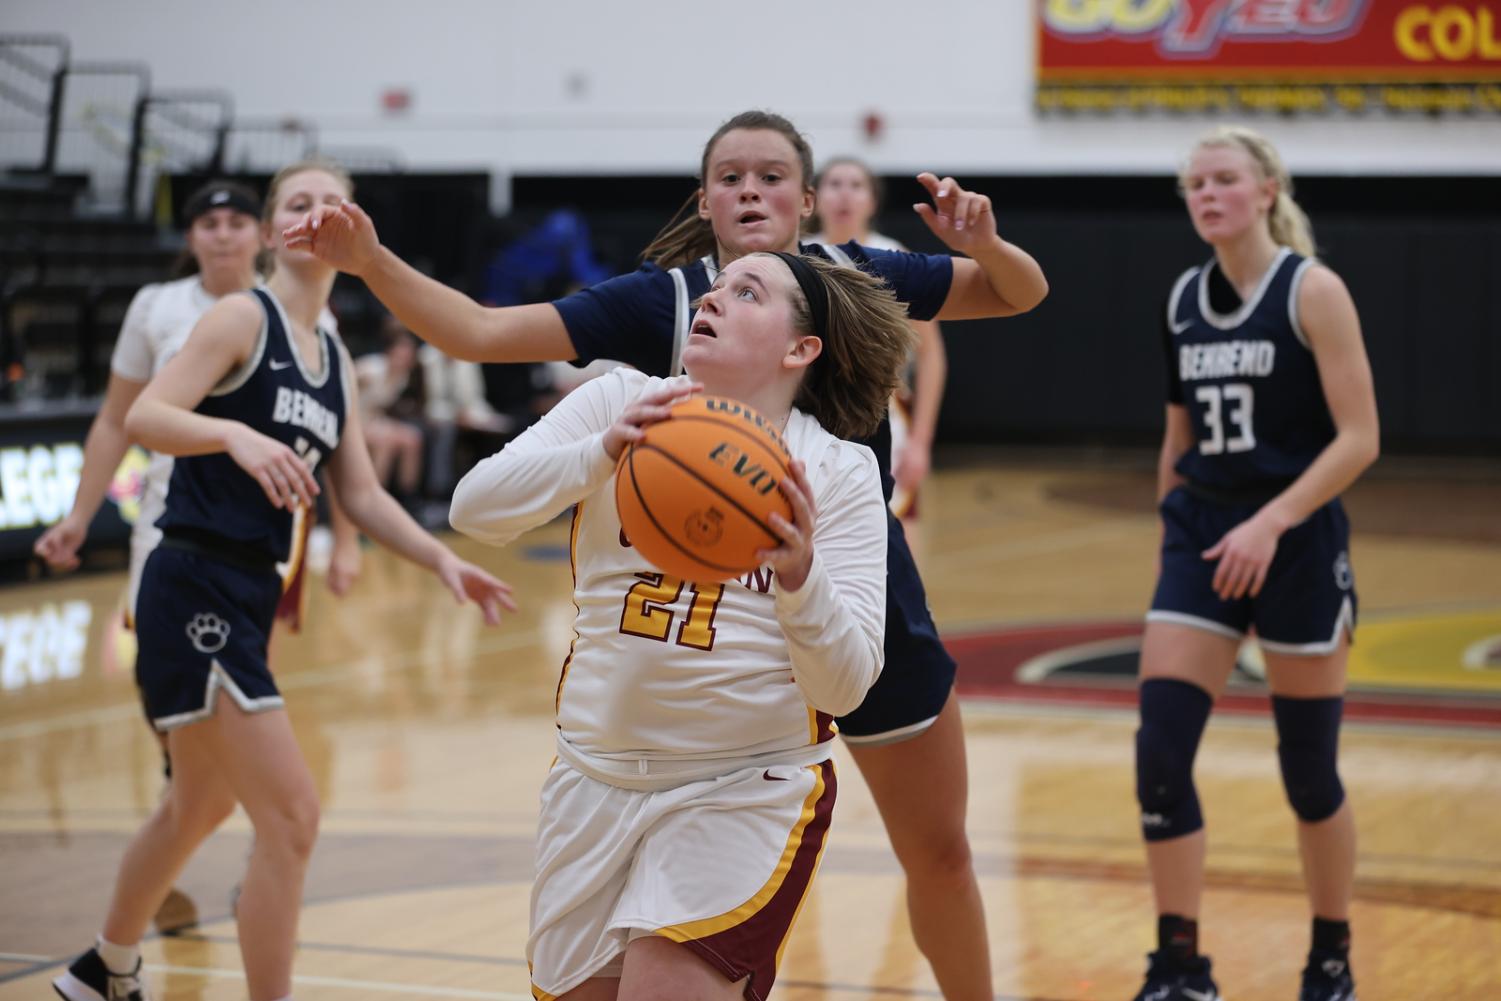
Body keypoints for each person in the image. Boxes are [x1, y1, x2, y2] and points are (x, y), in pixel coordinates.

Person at [286, 109, 1048, 1001]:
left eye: (771, 176)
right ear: (704, 199)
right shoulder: (661, 314)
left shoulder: (855, 283)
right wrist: (372, 262)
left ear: (806, 200)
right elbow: (480, 337)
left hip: (836, 591)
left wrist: (987, 244)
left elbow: (1018, 292)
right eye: (730, 177)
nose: (751, 191)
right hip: (652, 671)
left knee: (940, 849)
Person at [51, 160, 517, 1001]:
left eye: (329, 203)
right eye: (295, 204)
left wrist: (443, 557)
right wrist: (233, 438)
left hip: (250, 590)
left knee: (196, 808)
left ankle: (103, 968)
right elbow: (147, 415)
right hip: (191, 576)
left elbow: (364, 495)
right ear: (272, 234)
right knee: (292, 816)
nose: (313, 215)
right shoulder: (239, 317)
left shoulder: (333, 354)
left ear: (351, 230)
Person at [449, 251, 911, 1000]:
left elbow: (847, 685)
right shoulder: (619, 400)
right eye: (718, 286)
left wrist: (800, 579)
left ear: (800, 348)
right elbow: (474, 509)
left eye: (748, 292)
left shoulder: (835, 469)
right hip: (591, 777)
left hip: (743, 786)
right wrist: (601, 453)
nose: (716, 297)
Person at [1132, 125, 1379, 1001]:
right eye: (1193, 183)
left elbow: (1360, 437)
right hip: (1203, 535)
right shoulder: (1180, 299)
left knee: (1307, 771)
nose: (1206, 194)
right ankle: (1178, 964)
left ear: (1266, 188)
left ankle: (1330, 953)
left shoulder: (1313, 290)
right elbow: (1178, 432)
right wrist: (1172, 529)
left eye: (1223, 179)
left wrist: (1272, 522)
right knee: (1159, 753)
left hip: (1296, 538)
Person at [34, 180, 363, 778]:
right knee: (168, 685)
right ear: (191, 237)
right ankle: (184, 795)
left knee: (248, 686)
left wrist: (344, 539)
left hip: (261, 530)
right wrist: (80, 517)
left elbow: (337, 450)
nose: (222, 235)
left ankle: (222, 815)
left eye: (236, 222)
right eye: (209, 225)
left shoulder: (308, 322)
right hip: (170, 516)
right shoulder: (157, 306)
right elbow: (117, 420)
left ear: (258, 235)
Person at [807, 156, 947, 533]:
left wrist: (921, 441)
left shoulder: (893, 257)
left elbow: (931, 355)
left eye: (856, 185)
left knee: (899, 553)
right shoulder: (799, 256)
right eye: (834, 184)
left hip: (884, 414)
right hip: (813, 414)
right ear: (814, 198)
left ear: (872, 201)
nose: (844, 195)